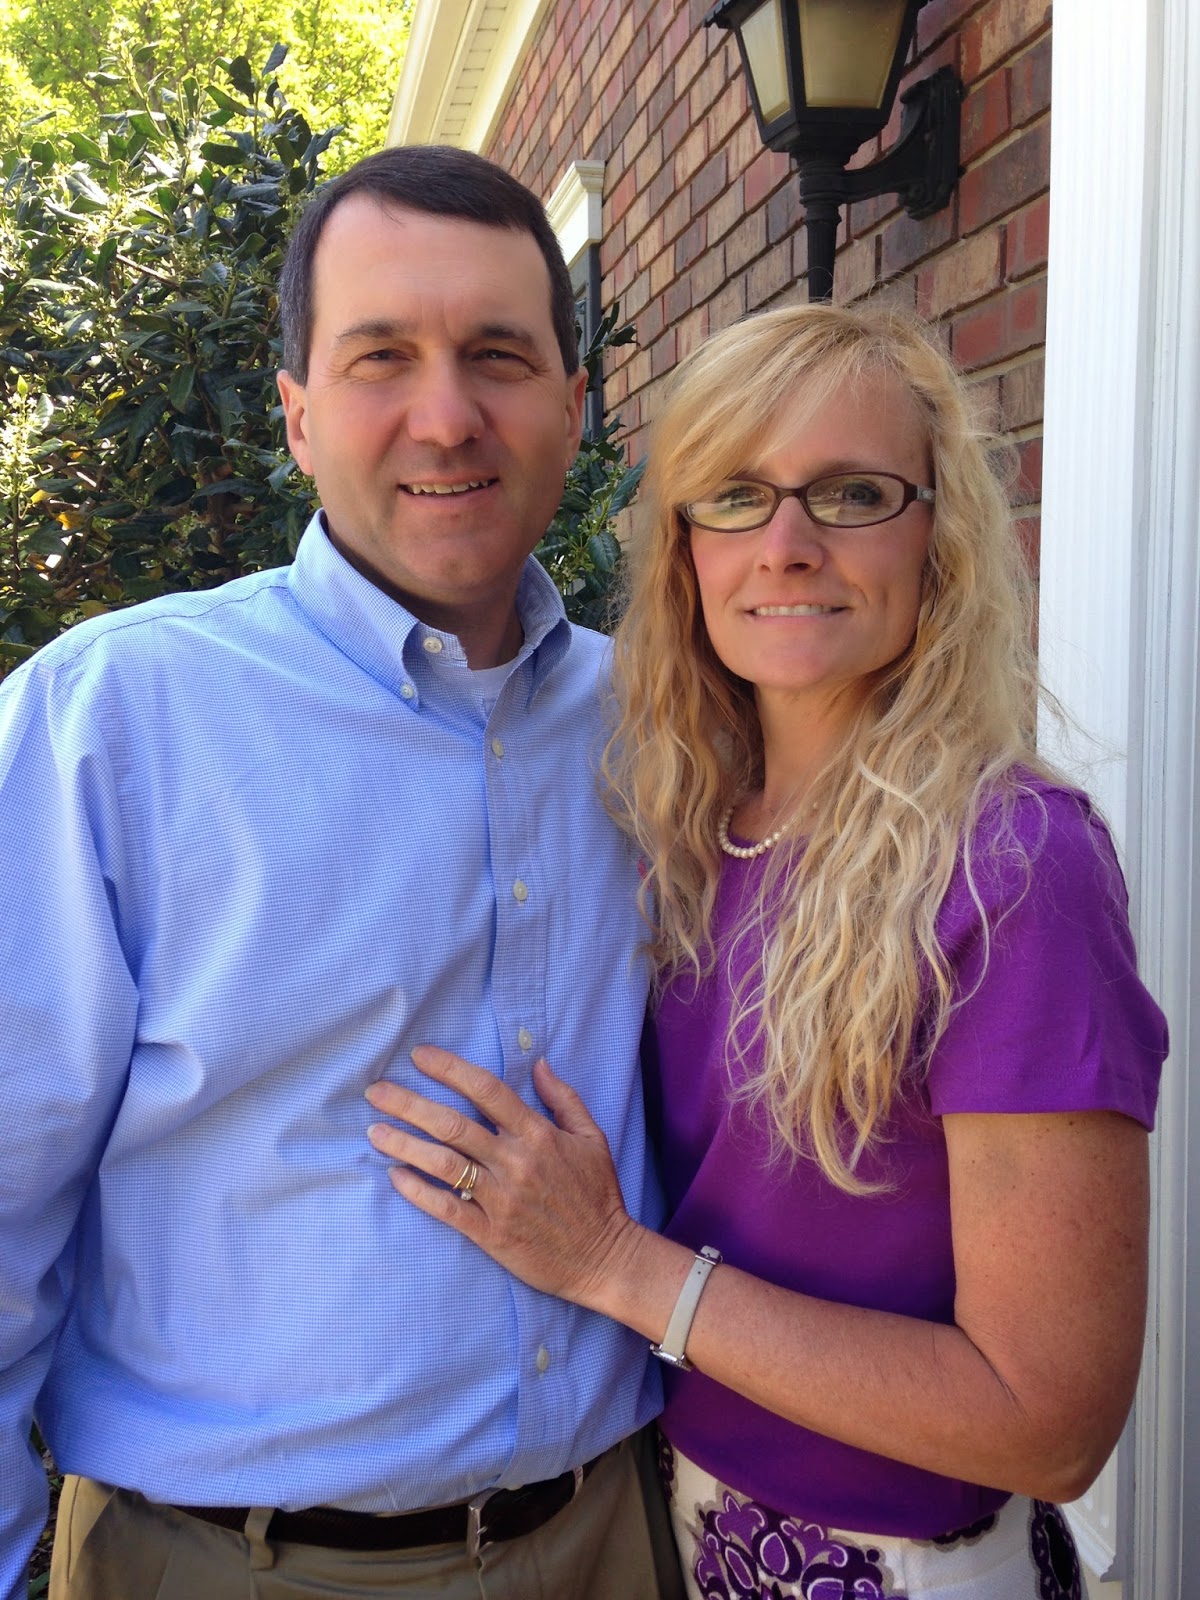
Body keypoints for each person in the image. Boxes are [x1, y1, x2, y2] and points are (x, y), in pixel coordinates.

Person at [363, 303, 1168, 1599]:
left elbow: (1049, 1420)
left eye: (852, 493)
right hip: (673, 1526)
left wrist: (614, 1263)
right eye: (737, 497)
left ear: (939, 539)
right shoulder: (690, 827)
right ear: (685, 553)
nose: (788, 546)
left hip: (901, 1568)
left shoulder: (1013, 863)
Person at [0, 145, 683, 1600]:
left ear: (574, 405)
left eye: (498, 355)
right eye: (383, 358)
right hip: (222, 1563)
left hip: (615, 1538)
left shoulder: (665, 722)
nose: (447, 415)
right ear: (299, 416)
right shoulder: (112, 723)